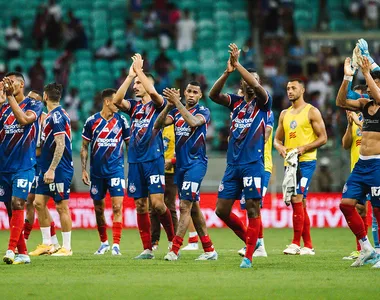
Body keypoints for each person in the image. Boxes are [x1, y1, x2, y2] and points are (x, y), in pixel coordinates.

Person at [209, 44, 272, 268]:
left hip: (253, 164)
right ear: (240, 83)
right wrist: (227, 72)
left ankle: (248, 256)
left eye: (255, 78)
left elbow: (255, 83)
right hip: (232, 165)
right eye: (246, 77)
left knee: (253, 209)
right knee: (221, 210)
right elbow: (213, 94)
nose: (252, 81)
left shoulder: (264, 103)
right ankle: (250, 241)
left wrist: (239, 65)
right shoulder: (235, 103)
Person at [113, 54, 175, 259]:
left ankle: (173, 242)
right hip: (135, 161)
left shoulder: (158, 104)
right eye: (135, 83)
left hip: (153, 159)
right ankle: (147, 248)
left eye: (139, 83)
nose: (136, 86)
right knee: (140, 204)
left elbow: (154, 94)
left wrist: (140, 71)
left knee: (157, 204)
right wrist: (130, 76)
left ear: (148, 83)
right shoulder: (134, 107)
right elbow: (116, 101)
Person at [155, 82, 217, 261]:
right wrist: (168, 105)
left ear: (200, 96)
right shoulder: (175, 112)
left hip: (196, 164)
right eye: (188, 91)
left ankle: (174, 249)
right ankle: (209, 250)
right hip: (181, 166)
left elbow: (193, 122)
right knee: (194, 208)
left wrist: (177, 103)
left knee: (184, 206)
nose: (191, 94)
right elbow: (158, 125)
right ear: (184, 92)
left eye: (195, 92)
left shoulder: (203, 112)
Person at [274, 78, 327, 256]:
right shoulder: (284, 114)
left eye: (293, 88)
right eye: (288, 88)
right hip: (290, 164)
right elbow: (276, 139)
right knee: (300, 202)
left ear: (302, 90)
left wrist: (304, 148)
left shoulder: (311, 111)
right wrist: (281, 148)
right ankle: (309, 246)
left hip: (307, 162)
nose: (290, 91)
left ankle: (295, 243)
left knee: (297, 198)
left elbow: (323, 138)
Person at [336, 56, 380, 268]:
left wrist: (366, 72)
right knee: (346, 204)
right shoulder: (364, 105)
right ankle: (366, 248)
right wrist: (347, 76)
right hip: (361, 165)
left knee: (379, 212)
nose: (370, 87)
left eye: (374, 82)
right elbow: (341, 102)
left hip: (378, 165)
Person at [1, 72, 43, 265]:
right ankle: (23, 253)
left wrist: (9, 98)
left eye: (11, 82)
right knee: (10, 209)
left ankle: (10, 250)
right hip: (5, 167)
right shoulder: (2, 109)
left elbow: (24, 121)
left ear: (21, 84)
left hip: (25, 165)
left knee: (19, 203)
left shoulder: (34, 104)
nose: (8, 85)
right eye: (5, 83)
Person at [81, 88, 130, 256]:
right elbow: (84, 147)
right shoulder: (91, 121)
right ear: (107, 101)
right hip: (97, 173)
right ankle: (104, 243)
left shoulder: (122, 121)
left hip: (116, 171)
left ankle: (116, 245)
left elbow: (129, 145)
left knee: (117, 207)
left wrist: (132, 169)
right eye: (116, 101)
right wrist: (83, 170)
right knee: (99, 209)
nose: (119, 104)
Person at [33, 82, 74, 257]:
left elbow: (61, 144)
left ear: (45, 96)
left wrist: (52, 169)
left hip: (60, 169)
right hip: (46, 167)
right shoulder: (50, 116)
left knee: (61, 207)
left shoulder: (57, 117)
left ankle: (66, 247)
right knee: (38, 203)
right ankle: (48, 243)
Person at [24, 90, 60, 254]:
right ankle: (50, 241)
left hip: (40, 163)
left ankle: (48, 241)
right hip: (27, 162)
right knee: (29, 202)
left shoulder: (46, 118)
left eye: (33, 99)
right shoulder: (23, 116)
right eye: (28, 98)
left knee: (36, 202)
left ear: (41, 101)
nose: (30, 102)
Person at [238, 110, 274, 258]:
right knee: (248, 205)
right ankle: (256, 244)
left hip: (262, 166)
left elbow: (266, 134)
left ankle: (259, 246)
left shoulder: (267, 112)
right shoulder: (240, 115)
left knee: (255, 204)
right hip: (245, 165)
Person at [151, 124, 178, 251]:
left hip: (171, 172)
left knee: (170, 205)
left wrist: (172, 161)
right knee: (153, 207)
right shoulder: (156, 125)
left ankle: (173, 240)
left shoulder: (176, 126)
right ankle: (154, 241)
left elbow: (184, 149)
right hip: (155, 171)